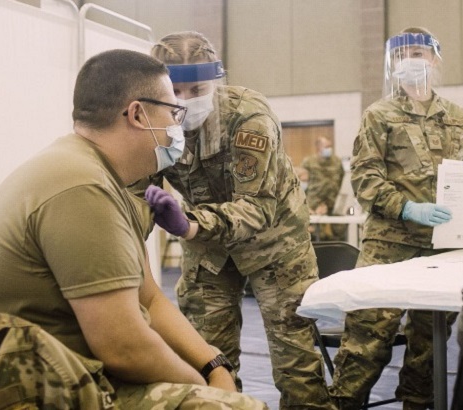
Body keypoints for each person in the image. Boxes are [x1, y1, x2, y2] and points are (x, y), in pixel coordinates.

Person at [0, 49, 267, 410]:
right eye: (172, 112)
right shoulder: (83, 188)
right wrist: (205, 389)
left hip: (53, 373)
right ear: (137, 114)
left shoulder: (93, 174)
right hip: (27, 388)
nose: (177, 126)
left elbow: (149, 299)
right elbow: (123, 348)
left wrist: (215, 366)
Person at [132, 31, 334, 410]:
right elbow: (136, 188)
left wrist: (187, 225)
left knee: (297, 368)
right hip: (209, 248)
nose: (188, 100)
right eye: (177, 90)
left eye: (199, 88)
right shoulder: (151, 120)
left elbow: (256, 207)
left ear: (216, 81)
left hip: (275, 244)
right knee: (207, 358)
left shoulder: (248, 116)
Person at [328, 27, 463, 410]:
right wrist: (405, 206)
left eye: (420, 53)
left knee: (428, 350)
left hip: (442, 248)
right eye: (404, 55)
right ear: (393, 63)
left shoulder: (456, 116)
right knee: (367, 341)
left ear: (435, 60)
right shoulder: (380, 115)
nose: (413, 61)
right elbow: (364, 178)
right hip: (389, 245)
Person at [301, 137, 346, 241]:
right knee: (313, 237)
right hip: (313, 205)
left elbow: (341, 178)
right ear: (318, 148)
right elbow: (302, 181)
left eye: (330, 146)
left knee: (336, 236)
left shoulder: (337, 162)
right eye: (326, 147)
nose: (329, 149)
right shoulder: (308, 162)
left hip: (332, 204)